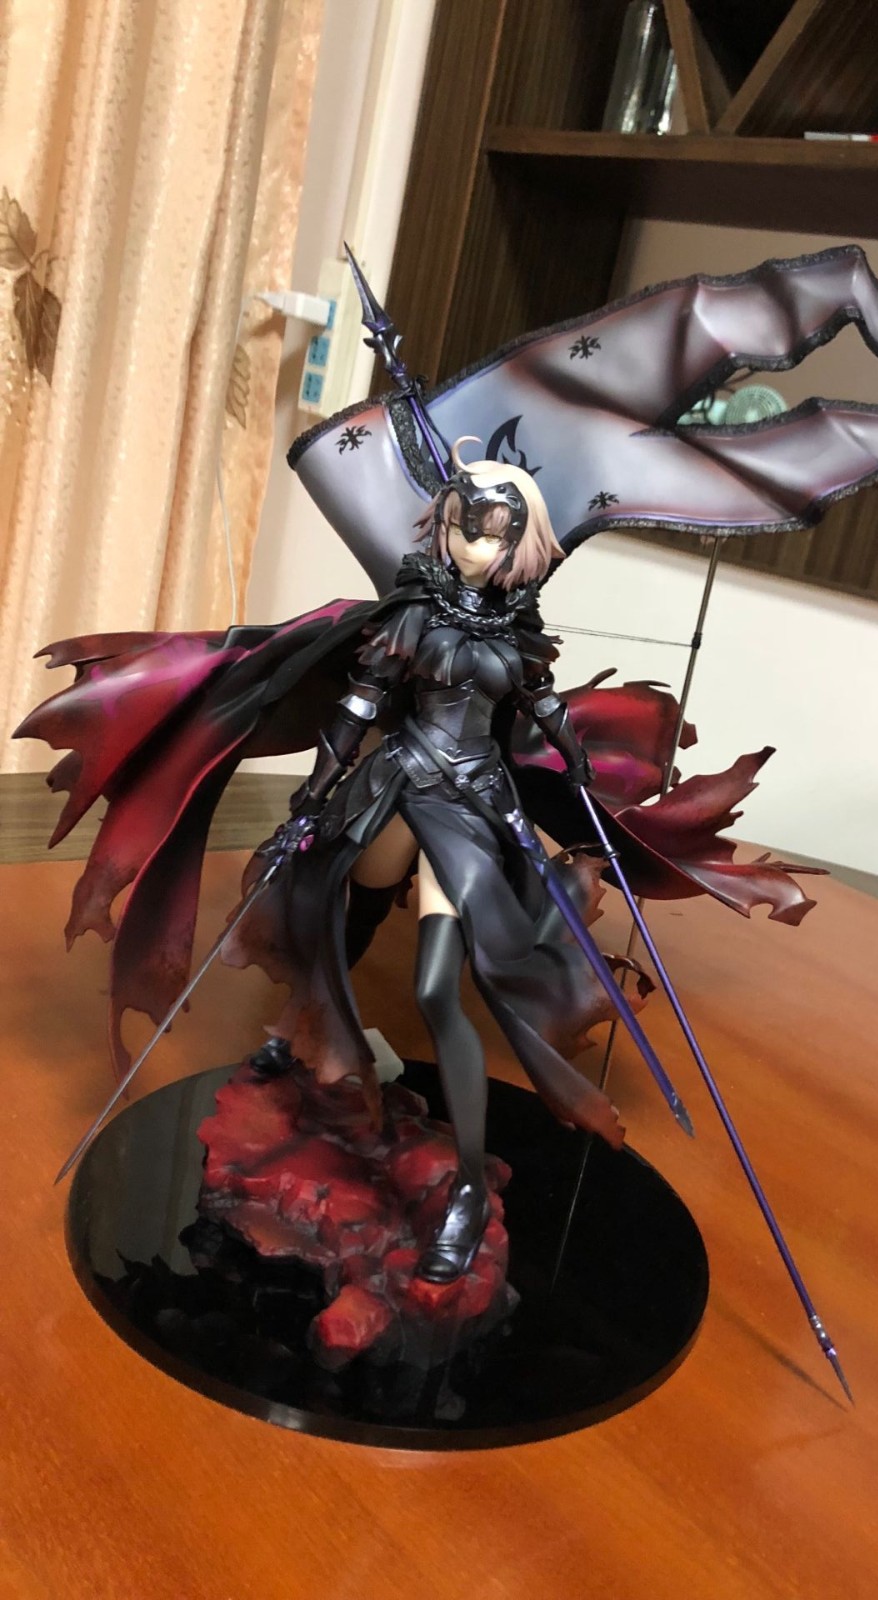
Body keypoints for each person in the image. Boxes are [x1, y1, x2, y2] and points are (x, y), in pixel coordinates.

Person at [240, 440, 625, 1285]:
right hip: (398, 781)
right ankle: (300, 1027)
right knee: (342, 906)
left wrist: (578, 759)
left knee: (434, 989)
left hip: (467, 806)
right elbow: (360, 702)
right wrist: (316, 788)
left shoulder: (517, 631)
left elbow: (541, 703)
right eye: (456, 524)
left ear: (518, 540)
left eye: (482, 530)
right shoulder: (415, 610)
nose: (462, 542)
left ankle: (469, 1192)